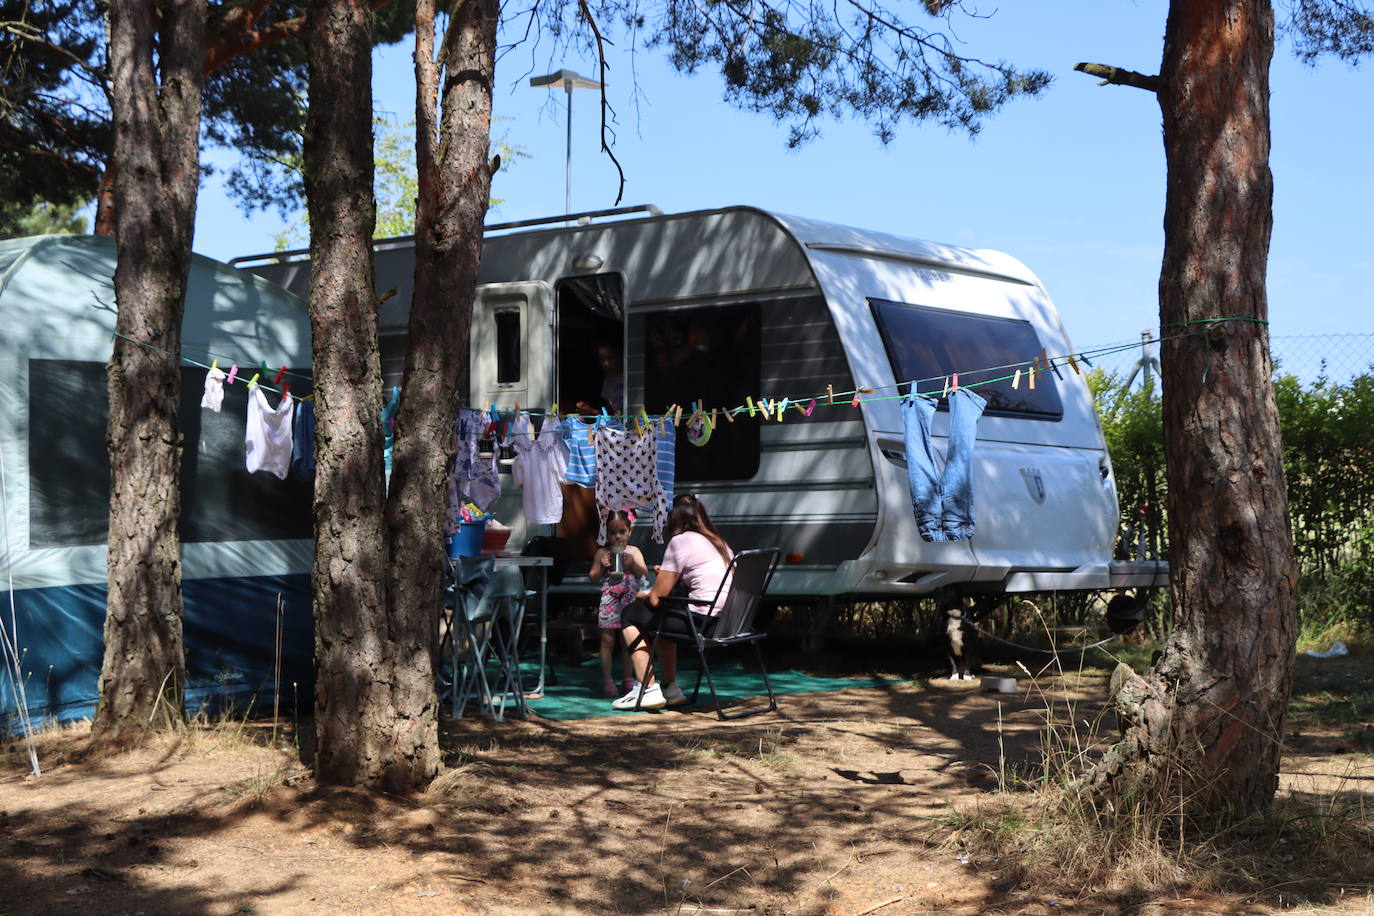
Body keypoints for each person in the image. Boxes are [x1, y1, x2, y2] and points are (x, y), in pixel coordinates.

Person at [611, 494, 733, 710]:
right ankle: (670, 688)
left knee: (630, 614)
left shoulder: (681, 541)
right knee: (666, 615)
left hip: (703, 624)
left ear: (673, 520)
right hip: (730, 623)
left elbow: (656, 599)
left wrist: (643, 596)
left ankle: (648, 689)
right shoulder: (719, 542)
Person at [587, 510, 648, 697]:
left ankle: (628, 679)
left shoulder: (634, 551)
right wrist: (600, 566)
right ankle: (608, 680)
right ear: (606, 533)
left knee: (627, 639)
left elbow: (644, 573)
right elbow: (592, 577)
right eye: (613, 533)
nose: (618, 536)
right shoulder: (602, 552)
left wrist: (633, 564)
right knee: (607, 640)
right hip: (609, 601)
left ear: (629, 531)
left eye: (622, 531)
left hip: (629, 602)